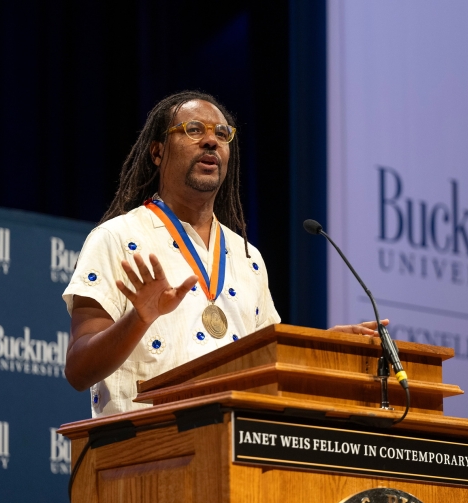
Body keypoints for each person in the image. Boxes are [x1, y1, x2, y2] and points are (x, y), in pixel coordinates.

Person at [63, 91, 384, 417]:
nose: (210, 141)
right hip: (146, 452)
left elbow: (266, 362)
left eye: (221, 134)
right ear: (157, 152)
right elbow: (78, 370)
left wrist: (318, 346)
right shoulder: (116, 238)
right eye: (194, 129)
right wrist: (139, 318)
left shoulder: (248, 258)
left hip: (233, 450)